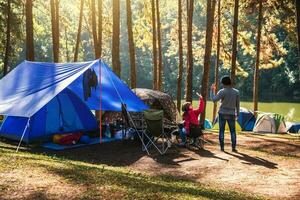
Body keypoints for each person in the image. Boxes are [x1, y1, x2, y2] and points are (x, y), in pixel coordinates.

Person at [210, 76, 240, 152]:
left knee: (221, 131)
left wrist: (212, 90)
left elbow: (214, 100)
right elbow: (237, 105)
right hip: (232, 114)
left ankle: (222, 148)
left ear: (223, 83)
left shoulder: (222, 91)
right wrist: (238, 114)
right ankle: (233, 148)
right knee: (233, 131)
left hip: (222, 113)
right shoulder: (236, 92)